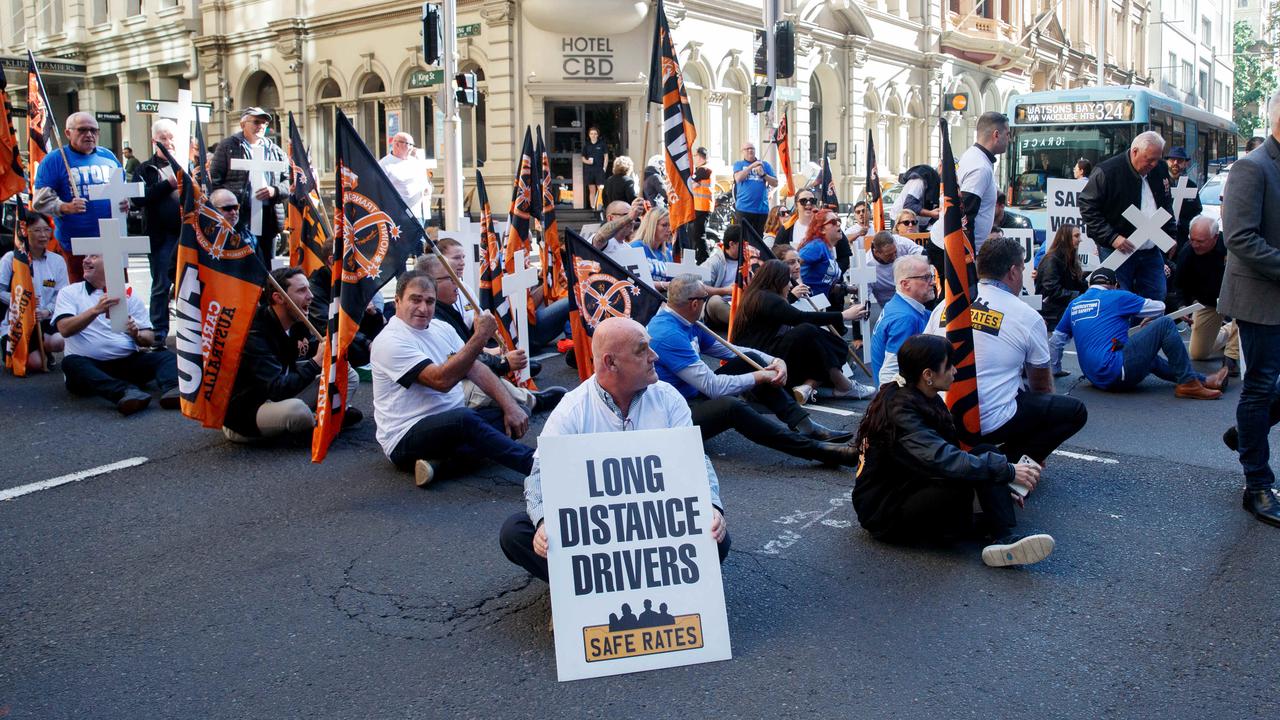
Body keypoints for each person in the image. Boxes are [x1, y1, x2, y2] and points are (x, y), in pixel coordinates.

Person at [498, 317, 729, 583]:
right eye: (642, 350)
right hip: (595, 532)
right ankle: (585, 594)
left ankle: (647, 585)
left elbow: (694, 460)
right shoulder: (573, 409)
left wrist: (712, 506)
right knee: (515, 532)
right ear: (610, 362)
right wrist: (542, 523)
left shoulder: (668, 398)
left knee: (716, 539)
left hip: (653, 523)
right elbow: (540, 474)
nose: (654, 356)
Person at [852, 334, 1055, 567]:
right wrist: (1007, 472)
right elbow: (943, 458)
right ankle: (1000, 538)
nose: (955, 371)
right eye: (949, 366)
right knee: (960, 485)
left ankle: (1003, 536)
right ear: (927, 375)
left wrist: (997, 482)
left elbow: (952, 453)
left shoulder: (921, 395)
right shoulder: (900, 409)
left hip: (909, 484)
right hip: (884, 511)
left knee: (985, 451)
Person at [648, 274, 859, 466]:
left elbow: (733, 351)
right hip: (678, 416)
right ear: (695, 304)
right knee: (731, 406)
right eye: (705, 297)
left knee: (750, 359)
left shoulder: (686, 319)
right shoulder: (667, 334)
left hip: (692, 397)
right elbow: (713, 387)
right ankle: (819, 451)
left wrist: (775, 360)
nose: (707, 301)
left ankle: (806, 425)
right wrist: (760, 376)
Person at [927, 236, 1088, 465]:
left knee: (1016, 388)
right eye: (1022, 269)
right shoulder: (1027, 315)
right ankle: (1014, 461)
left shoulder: (946, 305)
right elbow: (1041, 386)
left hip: (941, 415)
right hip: (990, 423)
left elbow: (925, 350)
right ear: (1013, 272)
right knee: (1074, 411)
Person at [370, 269, 534, 487]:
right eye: (415, 300)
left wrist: (510, 407)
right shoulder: (389, 341)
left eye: (430, 301)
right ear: (397, 301)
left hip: (450, 424)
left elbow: (475, 369)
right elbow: (441, 381)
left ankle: (439, 465)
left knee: (513, 416)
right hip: (406, 435)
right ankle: (536, 465)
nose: (423, 308)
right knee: (467, 421)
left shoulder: (441, 327)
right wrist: (481, 336)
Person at [1216, 90, 1280, 527]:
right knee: (1258, 387)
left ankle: (1246, 434)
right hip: (1260, 298)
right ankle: (1257, 484)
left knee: (1259, 398)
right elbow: (1239, 237)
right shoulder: (1252, 166)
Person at [222, 267, 364, 443]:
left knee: (347, 372)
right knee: (297, 411)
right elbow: (276, 389)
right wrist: (315, 362)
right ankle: (319, 422)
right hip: (250, 411)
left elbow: (315, 351)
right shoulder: (255, 332)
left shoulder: (298, 319)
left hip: (280, 397)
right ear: (279, 297)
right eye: (301, 290)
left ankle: (321, 420)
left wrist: (331, 351)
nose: (310, 296)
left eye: (308, 289)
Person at [415, 254, 565, 413]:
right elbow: (460, 361)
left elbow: (464, 350)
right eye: (451, 279)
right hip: (441, 393)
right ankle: (531, 402)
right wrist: (503, 363)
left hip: (456, 376)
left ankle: (522, 399)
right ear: (429, 283)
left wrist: (497, 359)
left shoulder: (445, 311)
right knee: (478, 386)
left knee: (487, 377)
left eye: (458, 278)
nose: (458, 284)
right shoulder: (433, 320)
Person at [1051, 266, 1226, 400]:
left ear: (1090, 285)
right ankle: (1188, 382)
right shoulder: (1118, 296)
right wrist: (1151, 319)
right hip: (1115, 371)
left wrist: (1056, 369)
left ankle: (1203, 380)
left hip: (1095, 377)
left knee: (1148, 357)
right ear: (1114, 285)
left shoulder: (1075, 304)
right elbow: (1159, 307)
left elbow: (1056, 341)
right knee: (1164, 324)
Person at [54, 253, 179, 415]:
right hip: (89, 365)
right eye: (86, 256)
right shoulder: (70, 292)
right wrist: (95, 310)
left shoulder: (128, 294)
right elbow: (64, 329)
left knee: (165, 356)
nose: (85, 260)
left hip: (125, 362)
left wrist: (136, 334)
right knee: (70, 363)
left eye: (93, 256)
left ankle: (174, 389)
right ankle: (124, 392)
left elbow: (149, 338)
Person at [731, 259, 871, 403]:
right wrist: (843, 315)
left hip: (762, 358)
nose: (790, 285)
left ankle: (808, 387)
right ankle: (840, 386)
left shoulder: (758, 296)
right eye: (788, 281)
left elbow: (789, 315)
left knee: (812, 339)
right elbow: (800, 318)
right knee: (807, 331)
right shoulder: (766, 298)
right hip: (760, 364)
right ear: (777, 281)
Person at [1078, 131, 1177, 302]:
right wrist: (1112, 237)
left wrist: (1171, 234)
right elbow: (1088, 207)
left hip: (1151, 249)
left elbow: (1166, 203)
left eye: (1157, 159)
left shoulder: (1160, 169)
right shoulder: (1107, 172)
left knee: (1156, 297)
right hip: (1117, 248)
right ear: (1135, 151)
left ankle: (1151, 328)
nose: (1153, 164)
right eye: (1149, 159)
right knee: (1120, 300)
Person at [32, 112, 125, 283]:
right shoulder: (55, 160)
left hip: (111, 242)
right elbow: (39, 201)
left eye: (94, 130)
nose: (89, 134)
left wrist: (126, 202)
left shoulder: (109, 157)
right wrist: (66, 207)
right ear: (68, 133)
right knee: (80, 297)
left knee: (116, 296)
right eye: (82, 130)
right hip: (74, 246)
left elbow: (124, 190)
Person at [210, 107, 289, 268]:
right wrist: (226, 205)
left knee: (266, 264)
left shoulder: (276, 151)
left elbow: (287, 182)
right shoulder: (228, 147)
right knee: (240, 262)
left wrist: (275, 190)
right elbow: (215, 180)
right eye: (256, 121)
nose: (261, 126)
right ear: (243, 124)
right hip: (239, 215)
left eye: (264, 123)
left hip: (268, 216)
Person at [133, 119, 183, 347]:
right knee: (162, 284)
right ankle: (160, 332)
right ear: (154, 141)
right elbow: (138, 198)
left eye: (171, 137)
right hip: (161, 237)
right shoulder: (145, 168)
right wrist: (167, 185)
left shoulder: (186, 165)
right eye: (163, 138)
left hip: (186, 235)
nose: (168, 142)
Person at [0, 213, 68, 371]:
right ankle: (15, 349)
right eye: (37, 230)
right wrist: (20, 301)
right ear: (25, 232)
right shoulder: (11, 259)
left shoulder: (57, 261)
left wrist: (47, 311)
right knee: (34, 365)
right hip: (18, 323)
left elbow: (62, 293)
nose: (43, 235)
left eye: (47, 230)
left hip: (44, 319)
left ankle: (44, 350)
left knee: (60, 342)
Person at [1175, 216, 1238, 368]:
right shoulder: (1187, 252)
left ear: (1215, 237)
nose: (1195, 245)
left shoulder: (1229, 246)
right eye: (1192, 239)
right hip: (1208, 302)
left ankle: (1232, 355)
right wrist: (1182, 306)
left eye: (1200, 241)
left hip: (1235, 299)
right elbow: (1179, 284)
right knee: (1198, 353)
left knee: (1244, 317)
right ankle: (1227, 331)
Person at [871, 255, 934, 385]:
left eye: (931, 276)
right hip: (901, 397)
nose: (932, 282)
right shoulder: (905, 318)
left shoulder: (900, 305)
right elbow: (890, 373)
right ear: (905, 284)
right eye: (925, 278)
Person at [958, 111, 1009, 254]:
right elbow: (966, 214)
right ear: (996, 135)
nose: (1009, 139)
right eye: (1008, 134)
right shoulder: (980, 166)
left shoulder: (974, 157)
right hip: (963, 252)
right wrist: (969, 256)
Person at [1035, 224, 1088, 357]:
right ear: (1065, 238)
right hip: (1053, 311)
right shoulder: (1052, 260)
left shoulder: (1069, 259)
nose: (1080, 239)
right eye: (1076, 236)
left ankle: (1055, 368)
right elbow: (1052, 289)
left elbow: (1078, 284)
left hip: (1060, 308)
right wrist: (1079, 297)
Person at [378, 132, 432, 223]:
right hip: (396, 215)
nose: (411, 148)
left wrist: (428, 188)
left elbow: (425, 183)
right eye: (408, 144)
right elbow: (379, 190)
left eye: (412, 145)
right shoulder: (384, 164)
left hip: (417, 214)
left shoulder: (416, 163)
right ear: (397, 144)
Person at [797, 208, 846, 303]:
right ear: (822, 229)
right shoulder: (817, 246)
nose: (839, 224)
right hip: (804, 305)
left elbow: (823, 282)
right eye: (833, 222)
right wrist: (800, 286)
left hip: (818, 304)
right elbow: (792, 264)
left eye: (838, 220)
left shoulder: (828, 248)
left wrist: (848, 289)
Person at [867, 230, 925, 306]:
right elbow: (865, 296)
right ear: (877, 253)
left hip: (913, 295)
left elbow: (923, 255)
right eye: (889, 255)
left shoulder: (901, 242)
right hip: (889, 302)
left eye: (895, 252)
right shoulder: (867, 266)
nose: (894, 257)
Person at [698, 224, 740, 327]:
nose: (746, 247)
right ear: (732, 244)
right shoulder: (715, 262)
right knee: (715, 301)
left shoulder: (749, 261)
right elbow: (700, 288)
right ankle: (743, 325)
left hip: (742, 304)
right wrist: (726, 290)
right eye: (743, 244)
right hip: (721, 306)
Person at [732, 142, 777, 238]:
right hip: (743, 208)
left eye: (752, 148)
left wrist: (764, 175)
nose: (750, 150)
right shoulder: (739, 164)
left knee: (758, 239)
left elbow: (775, 183)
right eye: (747, 149)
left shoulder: (765, 165)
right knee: (743, 239)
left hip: (761, 209)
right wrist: (752, 166)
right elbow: (738, 178)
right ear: (742, 152)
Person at [630, 204, 675, 292]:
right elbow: (635, 281)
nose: (669, 229)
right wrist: (664, 285)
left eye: (670, 225)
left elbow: (673, 282)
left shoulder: (667, 253)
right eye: (665, 225)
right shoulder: (636, 248)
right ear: (652, 226)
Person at [1165, 147, 1202, 248]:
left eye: (1180, 160)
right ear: (1167, 161)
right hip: (1163, 235)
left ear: (1185, 163)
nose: (1175, 163)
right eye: (1172, 160)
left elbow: (1196, 211)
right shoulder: (1160, 183)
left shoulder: (1192, 186)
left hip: (1184, 238)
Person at [889, 164, 941, 231]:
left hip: (918, 222)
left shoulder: (936, 183)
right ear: (940, 167)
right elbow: (909, 205)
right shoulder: (919, 182)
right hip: (902, 220)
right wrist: (931, 213)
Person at [689, 147, 714, 262]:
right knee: (697, 233)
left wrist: (694, 183)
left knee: (699, 234)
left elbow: (691, 185)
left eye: (695, 156)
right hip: (702, 205)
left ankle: (704, 258)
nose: (695, 159)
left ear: (699, 157)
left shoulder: (703, 169)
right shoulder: (704, 169)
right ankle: (701, 257)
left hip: (702, 206)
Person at [581, 127, 608, 211]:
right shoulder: (586, 145)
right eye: (591, 133)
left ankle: (600, 206)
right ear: (589, 135)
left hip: (599, 170)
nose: (593, 135)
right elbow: (582, 158)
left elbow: (606, 156)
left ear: (597, 135)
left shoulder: (602, 144)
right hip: (589, 171)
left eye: (595, 133)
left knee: (600, 190)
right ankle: (593, 207)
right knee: (592, 190)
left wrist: (604, 168)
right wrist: (587, 162)